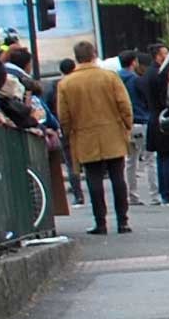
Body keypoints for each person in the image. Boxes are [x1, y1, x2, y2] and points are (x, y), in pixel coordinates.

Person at [54, 39, 135, 235]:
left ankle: (100, 222)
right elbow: (124, 105)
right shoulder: (110, 77)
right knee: (118, 177)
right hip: (112, 131)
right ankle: (122, 221)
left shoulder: (66, 83)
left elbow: (64, 116)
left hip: (84, 135)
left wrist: (68, 132)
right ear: (94, 54)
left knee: (93, 179)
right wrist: (127, 125)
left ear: (76, 58)